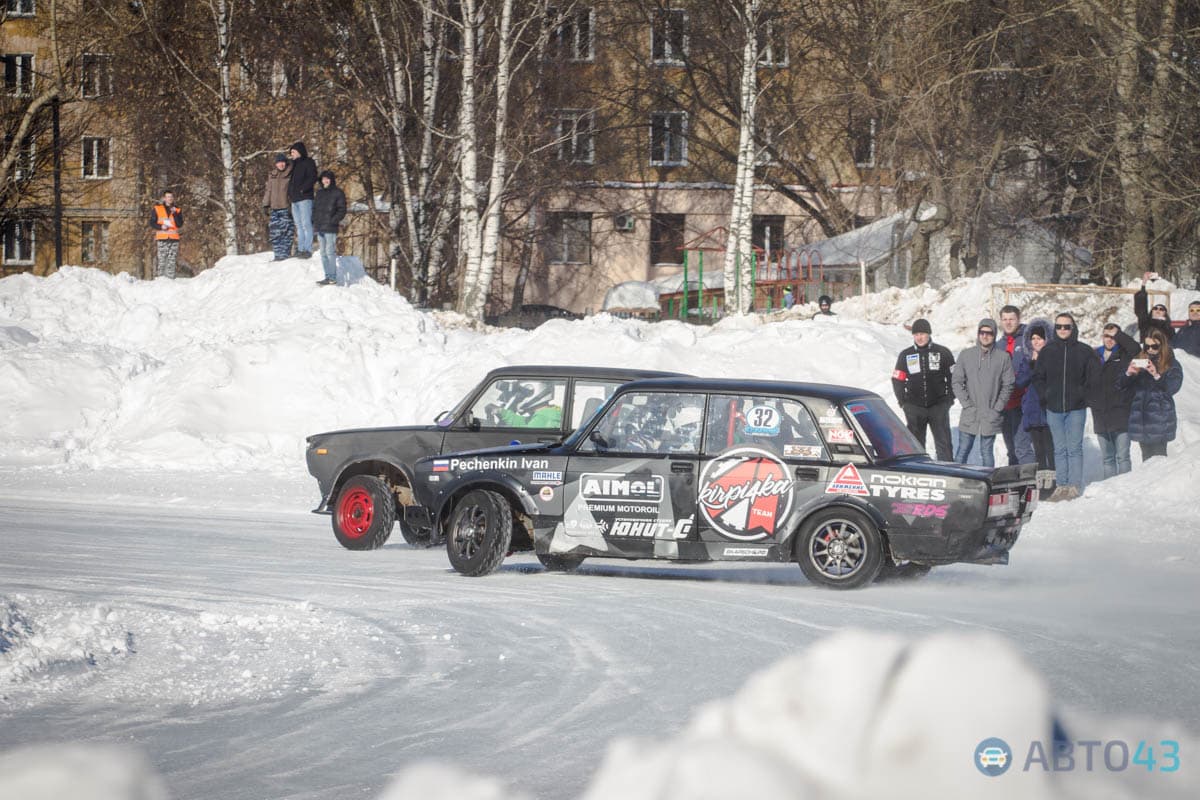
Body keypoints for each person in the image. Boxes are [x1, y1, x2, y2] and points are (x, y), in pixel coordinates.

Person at [1032, 312, 1099, 501]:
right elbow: (1037, 377)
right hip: (1053, 408)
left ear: (1073, 328)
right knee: (1059, 448)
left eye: (1066, 327)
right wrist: (1045, 395)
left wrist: (1084, 396)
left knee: (1074, 448)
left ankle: (1074, 486)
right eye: (1059, 326)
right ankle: (1061, 486)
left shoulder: (1084, 351)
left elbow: (1094, 378)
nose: (1062, 330)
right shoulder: (1048, 350)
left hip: (1076, 408)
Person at [951, 318, 1014, 467]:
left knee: (987, 451)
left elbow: (1008, 384)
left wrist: (997, 408)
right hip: (970, 413)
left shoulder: (1003, 357)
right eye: (982, 332)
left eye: (989, 333)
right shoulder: (966, 355)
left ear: (994, 335)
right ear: (978, 334)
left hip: (990, 414)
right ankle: (958, 480)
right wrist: (967, 404)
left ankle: (987, 483)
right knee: (963, 450)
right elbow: (957, 381)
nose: (985, 336)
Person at [891, 318, 956, 460]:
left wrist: (949, 399)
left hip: (938, 406)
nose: (919, 337)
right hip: (914, 407)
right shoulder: (905, 355)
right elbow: (897, 379)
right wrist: (903, 402)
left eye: (922, 334)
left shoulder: (942, 352)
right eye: (916, 334)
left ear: (929, 334)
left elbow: (954, 376)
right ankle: (918, 470)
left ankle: (947, 471)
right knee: (916, 445)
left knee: (943, 443)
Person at [1117, 328, 1183, 461]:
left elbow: (1172, 387)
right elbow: (1120, 386)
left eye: (1154, 346)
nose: (1150, 349)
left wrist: (1156, 375)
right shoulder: (1140, 360)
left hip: (1160, 419)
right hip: (1141, 419)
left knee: (1159, 460)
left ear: (1162, 346)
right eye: (1147, 346)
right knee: (1146, 460)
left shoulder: (1171, 363)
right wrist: (1128, 373)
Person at [1089, 322, 1139, 479]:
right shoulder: (1094, 355)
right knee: (1107, 459)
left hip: (1120, 412)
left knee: (1122, 457)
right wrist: (1090, 400)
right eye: (1106, 336)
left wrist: (1119, 334)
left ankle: (1124, 490)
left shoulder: (1124, 354)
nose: (1110, 340)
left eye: (1113, 337)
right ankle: (1109, 493)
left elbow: (1136, 349)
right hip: (1100, 413)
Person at [1013, 320, 1056, 498]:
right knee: (1038, 450)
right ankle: (1040, 486)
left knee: (1049, 449)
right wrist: (1031, 365)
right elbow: (1020, 381)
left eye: (1040, 338)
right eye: (1034, 339)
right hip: (1032, 410)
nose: (1036, 342)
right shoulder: (1026, 358)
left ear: (1047, 339)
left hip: (1047, 409)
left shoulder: (1053, 357)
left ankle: (1052, 484)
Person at [998, 305, 1035, 466]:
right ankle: (1013, 485)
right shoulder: (999, 344)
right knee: (1011, 449)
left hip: (1024, 402)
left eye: (1011, 319)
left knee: (1022, 447)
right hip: (1006, 404)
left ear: (1018, 319)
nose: (1008, 322)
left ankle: (1031, 483)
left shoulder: (1028, 339)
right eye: (1005, 319)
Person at [312, 170, 347, 286]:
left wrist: (333, 220)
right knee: (322, 253)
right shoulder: (319, 193)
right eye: (323, 179)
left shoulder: (338, 193)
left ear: (331, 180)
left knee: (330, 252)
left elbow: (342, 210)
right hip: (320, 227)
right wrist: (314, 221)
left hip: (330, 228)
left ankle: (332, 277)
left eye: (327, 178)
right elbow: (315, 209)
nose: (325, 181)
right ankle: (327, 276)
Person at [287, 141, 318, 258]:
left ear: (299, 151)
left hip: (305, 198)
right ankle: (300, 249)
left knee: (306, 224)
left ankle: (307, 249)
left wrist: (303, 190)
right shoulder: (293, 165)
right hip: (294, 200)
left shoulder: (309, 162)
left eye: (293, 152)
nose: (292, 154)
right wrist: (290, 193)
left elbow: (313, 177)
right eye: (291, 153)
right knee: (298, 225)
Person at [262, 153, 294, 261]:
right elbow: (269, 190)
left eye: (283, 162)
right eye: (279, 162)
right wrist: (265, 204)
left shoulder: (290, 173)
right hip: (274, 208)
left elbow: (293, 190)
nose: (281, 164)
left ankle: (285, 255)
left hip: (286, 207)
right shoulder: (272, 174)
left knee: (286, 232)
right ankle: (278, 255)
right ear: (276, 164)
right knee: (275, 232)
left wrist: (291, 204)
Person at [490, 382, 562, 428]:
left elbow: (524, 434)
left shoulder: (543, 417)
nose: (519, 397)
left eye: (521, 394)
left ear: (532, 394)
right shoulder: (547, 413)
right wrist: (502, 412)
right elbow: (524, 423)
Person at [148, 190, 183, 278]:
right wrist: (161, 227)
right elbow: (152, 223)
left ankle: (170, 281)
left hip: (174, 238)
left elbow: (179, 224)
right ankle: (160, 281)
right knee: (161, 260)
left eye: (171, 197)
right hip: (162, 237)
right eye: (168, 197)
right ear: (164, 198)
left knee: (172, 261)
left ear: (173, 198)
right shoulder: (157, 208)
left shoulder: (177, 210)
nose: (170, 199)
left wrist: (175, 213)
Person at [1133, 273, 1174, 342]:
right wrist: (1144, 283)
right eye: (1155, 308)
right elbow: (1141, 307)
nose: (1158, 310)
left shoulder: (1168, 327)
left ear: (1165, 313)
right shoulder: (1146, 323)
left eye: (1161, 309)